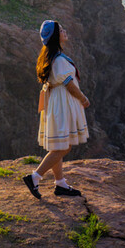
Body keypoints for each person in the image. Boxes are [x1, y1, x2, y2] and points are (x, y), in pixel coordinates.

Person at [22, 19, 90, 199]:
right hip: (62, 103)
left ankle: (60, 184)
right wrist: (83, 99)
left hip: (55, 102)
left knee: (58, 143)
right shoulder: (59, 59)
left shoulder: (50, 56)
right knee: (64, 146)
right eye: (61, 30)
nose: (65, 31)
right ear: (55, 36)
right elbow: (69, 85)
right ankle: (35, 177)